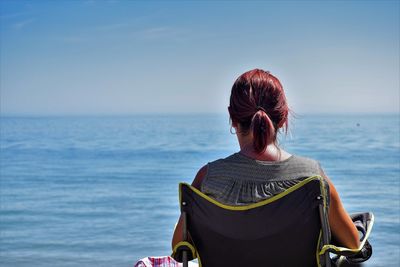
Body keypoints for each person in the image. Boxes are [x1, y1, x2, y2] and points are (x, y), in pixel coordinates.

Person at [172, 68, 360, 251]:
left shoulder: (208, 178)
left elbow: (178, 246)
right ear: (284, 116)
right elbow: (353, 244)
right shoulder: (311, 177)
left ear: (231, 116)